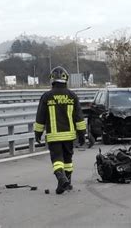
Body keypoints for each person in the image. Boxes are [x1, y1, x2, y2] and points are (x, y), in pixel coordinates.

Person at [34, 66, 87, 194]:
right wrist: (82, 134)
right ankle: (65, 183)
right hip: (69, 136)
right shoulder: (72, 96)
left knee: (57, 158)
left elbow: (40, 116)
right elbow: (79, 117)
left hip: (54, 135)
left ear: (52, 79)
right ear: (66, 79)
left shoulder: (47, 96)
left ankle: (62, 179)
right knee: (68, 160)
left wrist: (38, 133)